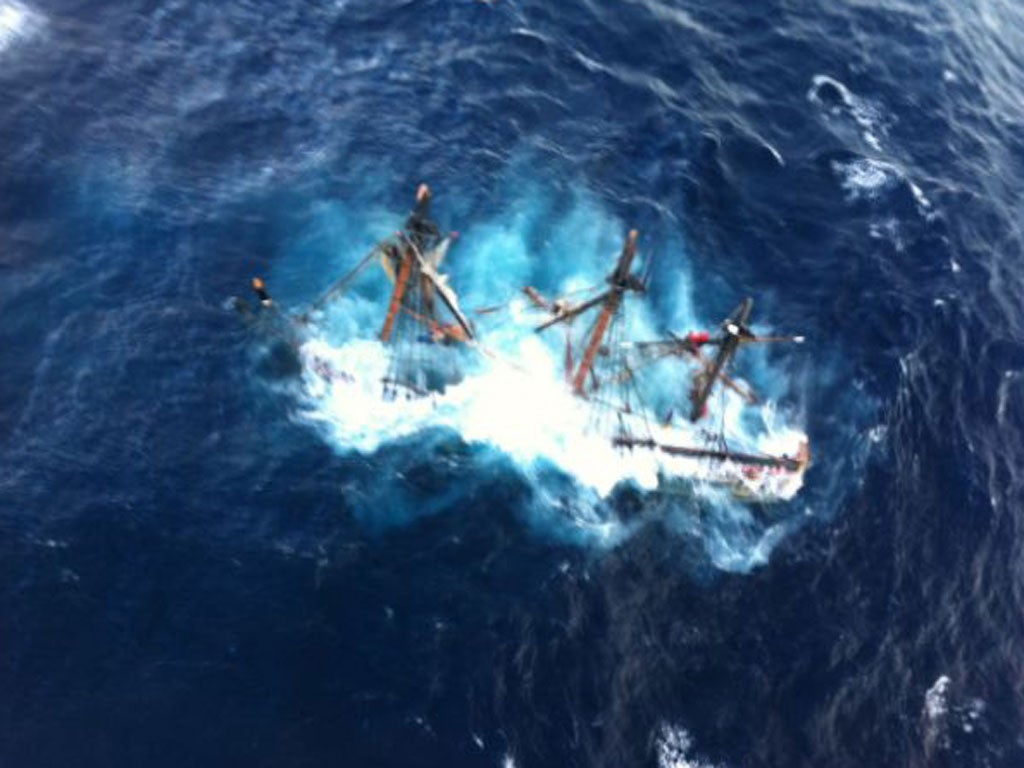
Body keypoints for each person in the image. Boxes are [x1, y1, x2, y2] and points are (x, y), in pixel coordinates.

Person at [404, 183, 442, 253]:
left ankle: (431, 247)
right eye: (419, 190)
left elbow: (412, 221)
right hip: (417, 227)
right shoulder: (422, 203)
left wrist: (412, 218)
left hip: (418, 226)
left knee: (431, 231)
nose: (419, 192)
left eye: (421, 191)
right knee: (432, 232)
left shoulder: (424, 202)